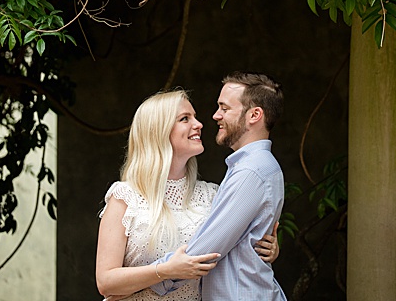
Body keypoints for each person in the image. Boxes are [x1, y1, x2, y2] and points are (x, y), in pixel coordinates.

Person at [96, 89, 279, 300]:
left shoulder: (213, 195)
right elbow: (105, 282)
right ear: (158, 130)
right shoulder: (125, 197)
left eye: (194, 116)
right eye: (185, 119)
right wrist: (165, 270)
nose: (199, 124)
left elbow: (230, 256)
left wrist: (265, 250)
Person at [150, 72, 286, 300]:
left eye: (224, 108)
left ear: (254, 115)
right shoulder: (254, 167)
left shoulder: (251, 172)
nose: (215, 116)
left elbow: (207, 249)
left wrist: (145, 283)